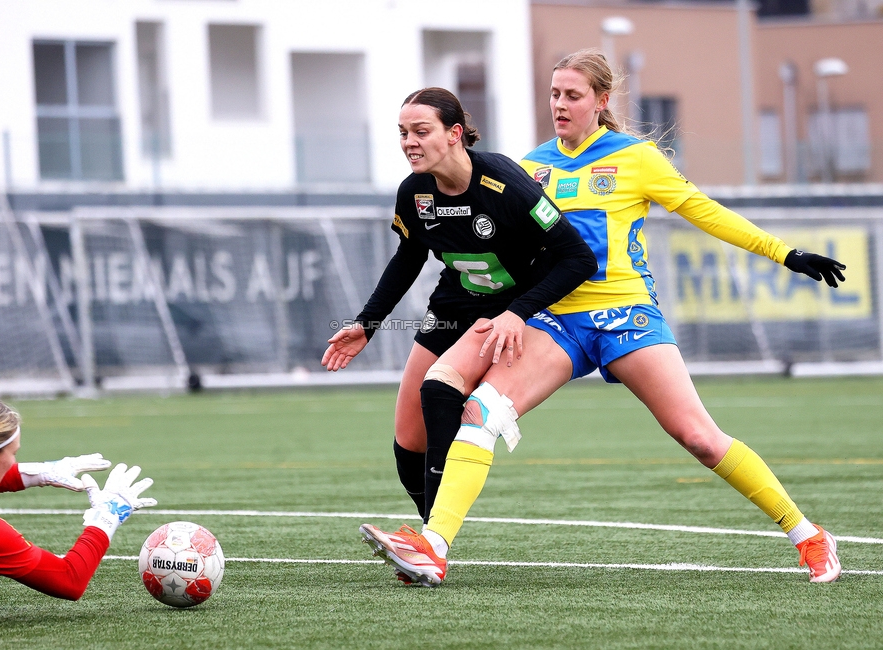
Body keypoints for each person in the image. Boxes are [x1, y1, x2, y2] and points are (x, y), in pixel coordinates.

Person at [359, 49, 846, 587]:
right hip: (556, 318)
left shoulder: (635, 158)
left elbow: (703, 210)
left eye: (572, 95)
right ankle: (434, 547)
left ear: (601, 101)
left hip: (626, 314)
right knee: (479, 413)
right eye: (553, 94)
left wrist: (786, 253)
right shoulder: (531, 164)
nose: (559, 105)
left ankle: (808, 535)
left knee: (701, 438)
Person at [322, 88, 596, 530]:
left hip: (508, 314)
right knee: (408, 439)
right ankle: (430, 535)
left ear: (454, 134)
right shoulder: (414, 193)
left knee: (439, 390)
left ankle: (432, 542)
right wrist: (366, 324)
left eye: (420, 131)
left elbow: (578, 258)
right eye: (403, 132)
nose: (409, 141)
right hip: (452, 308)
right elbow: (408, 257)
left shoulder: (504, 183)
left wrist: (519, 312)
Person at [0, 388, 156, 617]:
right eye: (13, 453)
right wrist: (107, 517)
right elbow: (69, 580)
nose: (15, 460)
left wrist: (42, 473)